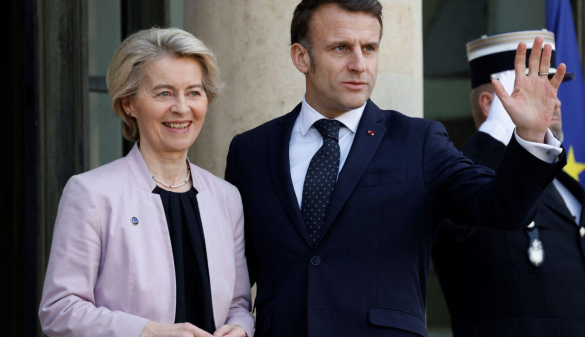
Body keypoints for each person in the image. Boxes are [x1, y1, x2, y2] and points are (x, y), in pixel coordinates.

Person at [225, 1, 568, 336]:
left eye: (369, 48)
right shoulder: (251, 151)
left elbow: (500, 208)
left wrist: (529, 136)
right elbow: (230, 274)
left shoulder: (418, 141)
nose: (359, 64)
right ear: (302, 57)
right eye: (341, 48)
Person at [39, 28, 253, 337]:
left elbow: (238, 303)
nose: (182, 108)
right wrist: (146, 331)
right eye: (164, 93)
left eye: (194, 92)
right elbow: (59, 310)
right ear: (128, 103)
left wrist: (241, 328)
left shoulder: (226, 197)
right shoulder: (92, 194)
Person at [432, 30, 585, 337]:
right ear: (489, 104)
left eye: (552, 88)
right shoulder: (461, 174)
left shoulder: (565, 182)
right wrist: (495, 134)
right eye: (536, 88)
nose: (554, 102)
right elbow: (456, 217)